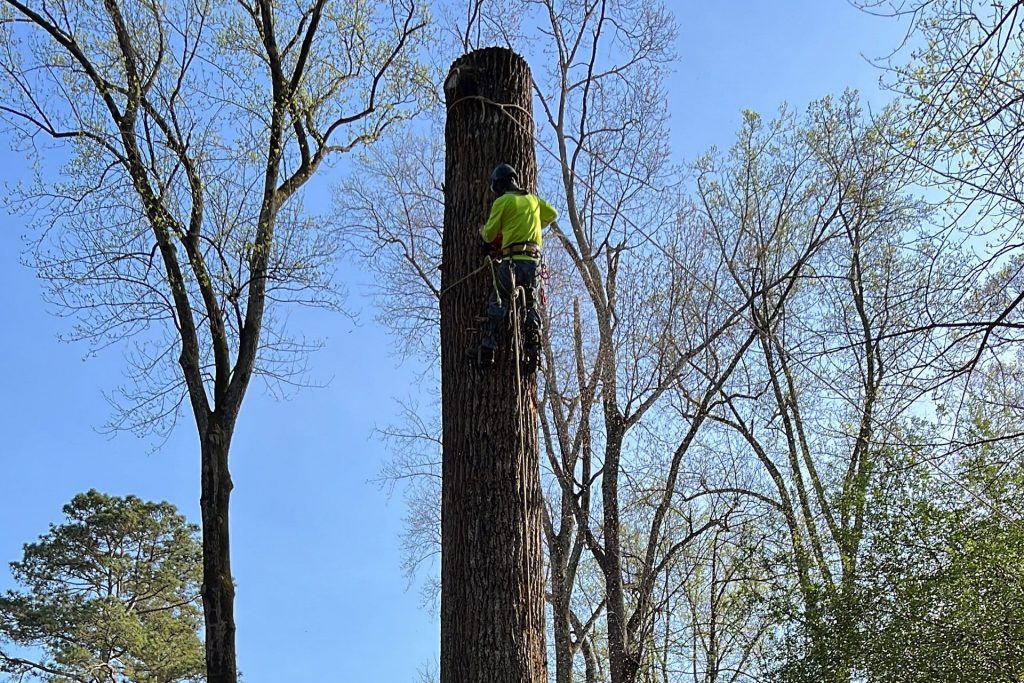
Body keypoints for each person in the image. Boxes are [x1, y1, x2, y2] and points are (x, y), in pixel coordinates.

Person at [477, 162, 557, 369]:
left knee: (499, 299)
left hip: (512, 261)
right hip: (533, 262)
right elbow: (552, 214)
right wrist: (530, 223)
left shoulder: (503, 202)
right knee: (530, 304)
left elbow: (489, 234)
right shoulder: (533, 200)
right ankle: (533, 349)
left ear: (500, 186)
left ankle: (488, 346)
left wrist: (485, 234)